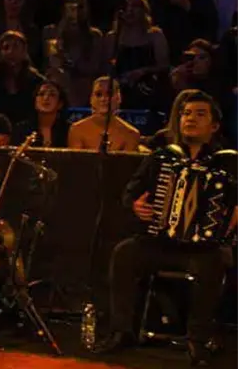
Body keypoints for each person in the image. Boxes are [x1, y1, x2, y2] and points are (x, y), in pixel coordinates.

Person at [95, 90, 238, 367]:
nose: (190, 119)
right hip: (159, 241)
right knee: (124, 254)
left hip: (203, 246)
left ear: (215, 126)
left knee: (214, 263)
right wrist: (137, 206)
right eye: (186, 114)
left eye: (199, 114)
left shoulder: (228, 162)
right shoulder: (162, 157)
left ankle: (197, 340)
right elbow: (130, 194)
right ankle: (121, 331)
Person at [67, 77, 140, 152]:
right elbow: (76, 162)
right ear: (91, 99)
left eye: (109, 94)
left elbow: (127, 163)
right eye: (98, 94)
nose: (103, 99)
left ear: (119, 98)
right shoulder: (77, 129)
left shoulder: (131, 134)